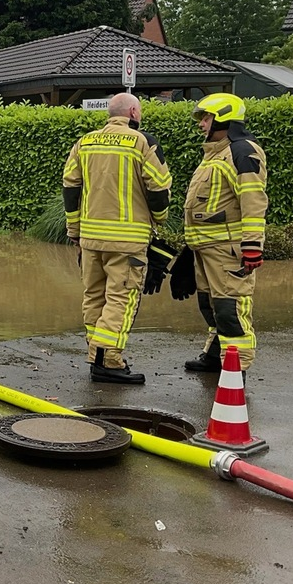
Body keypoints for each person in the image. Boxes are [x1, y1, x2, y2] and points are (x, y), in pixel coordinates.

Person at [62, 93, 172, 384]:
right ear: (134, 111)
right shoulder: (142, 142)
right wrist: (159, 220)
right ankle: (108, 361)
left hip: (90, 238)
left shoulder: (84, 142)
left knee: (94, 296)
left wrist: (74, 230)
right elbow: (159, 188)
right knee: (120, 299)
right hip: (127, 241)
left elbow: (70, 188)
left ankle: (95, 354)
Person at [181, 93, 268, 373]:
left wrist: (252, 245)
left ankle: (236, 370)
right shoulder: (215, 154)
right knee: (211, 306)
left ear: (222, 118)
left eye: (206, 118)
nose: (201, 124)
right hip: (207, 248)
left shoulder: (242, 151)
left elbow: (253, 199)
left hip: (227, 248)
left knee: (230, 310)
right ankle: (215, 355)